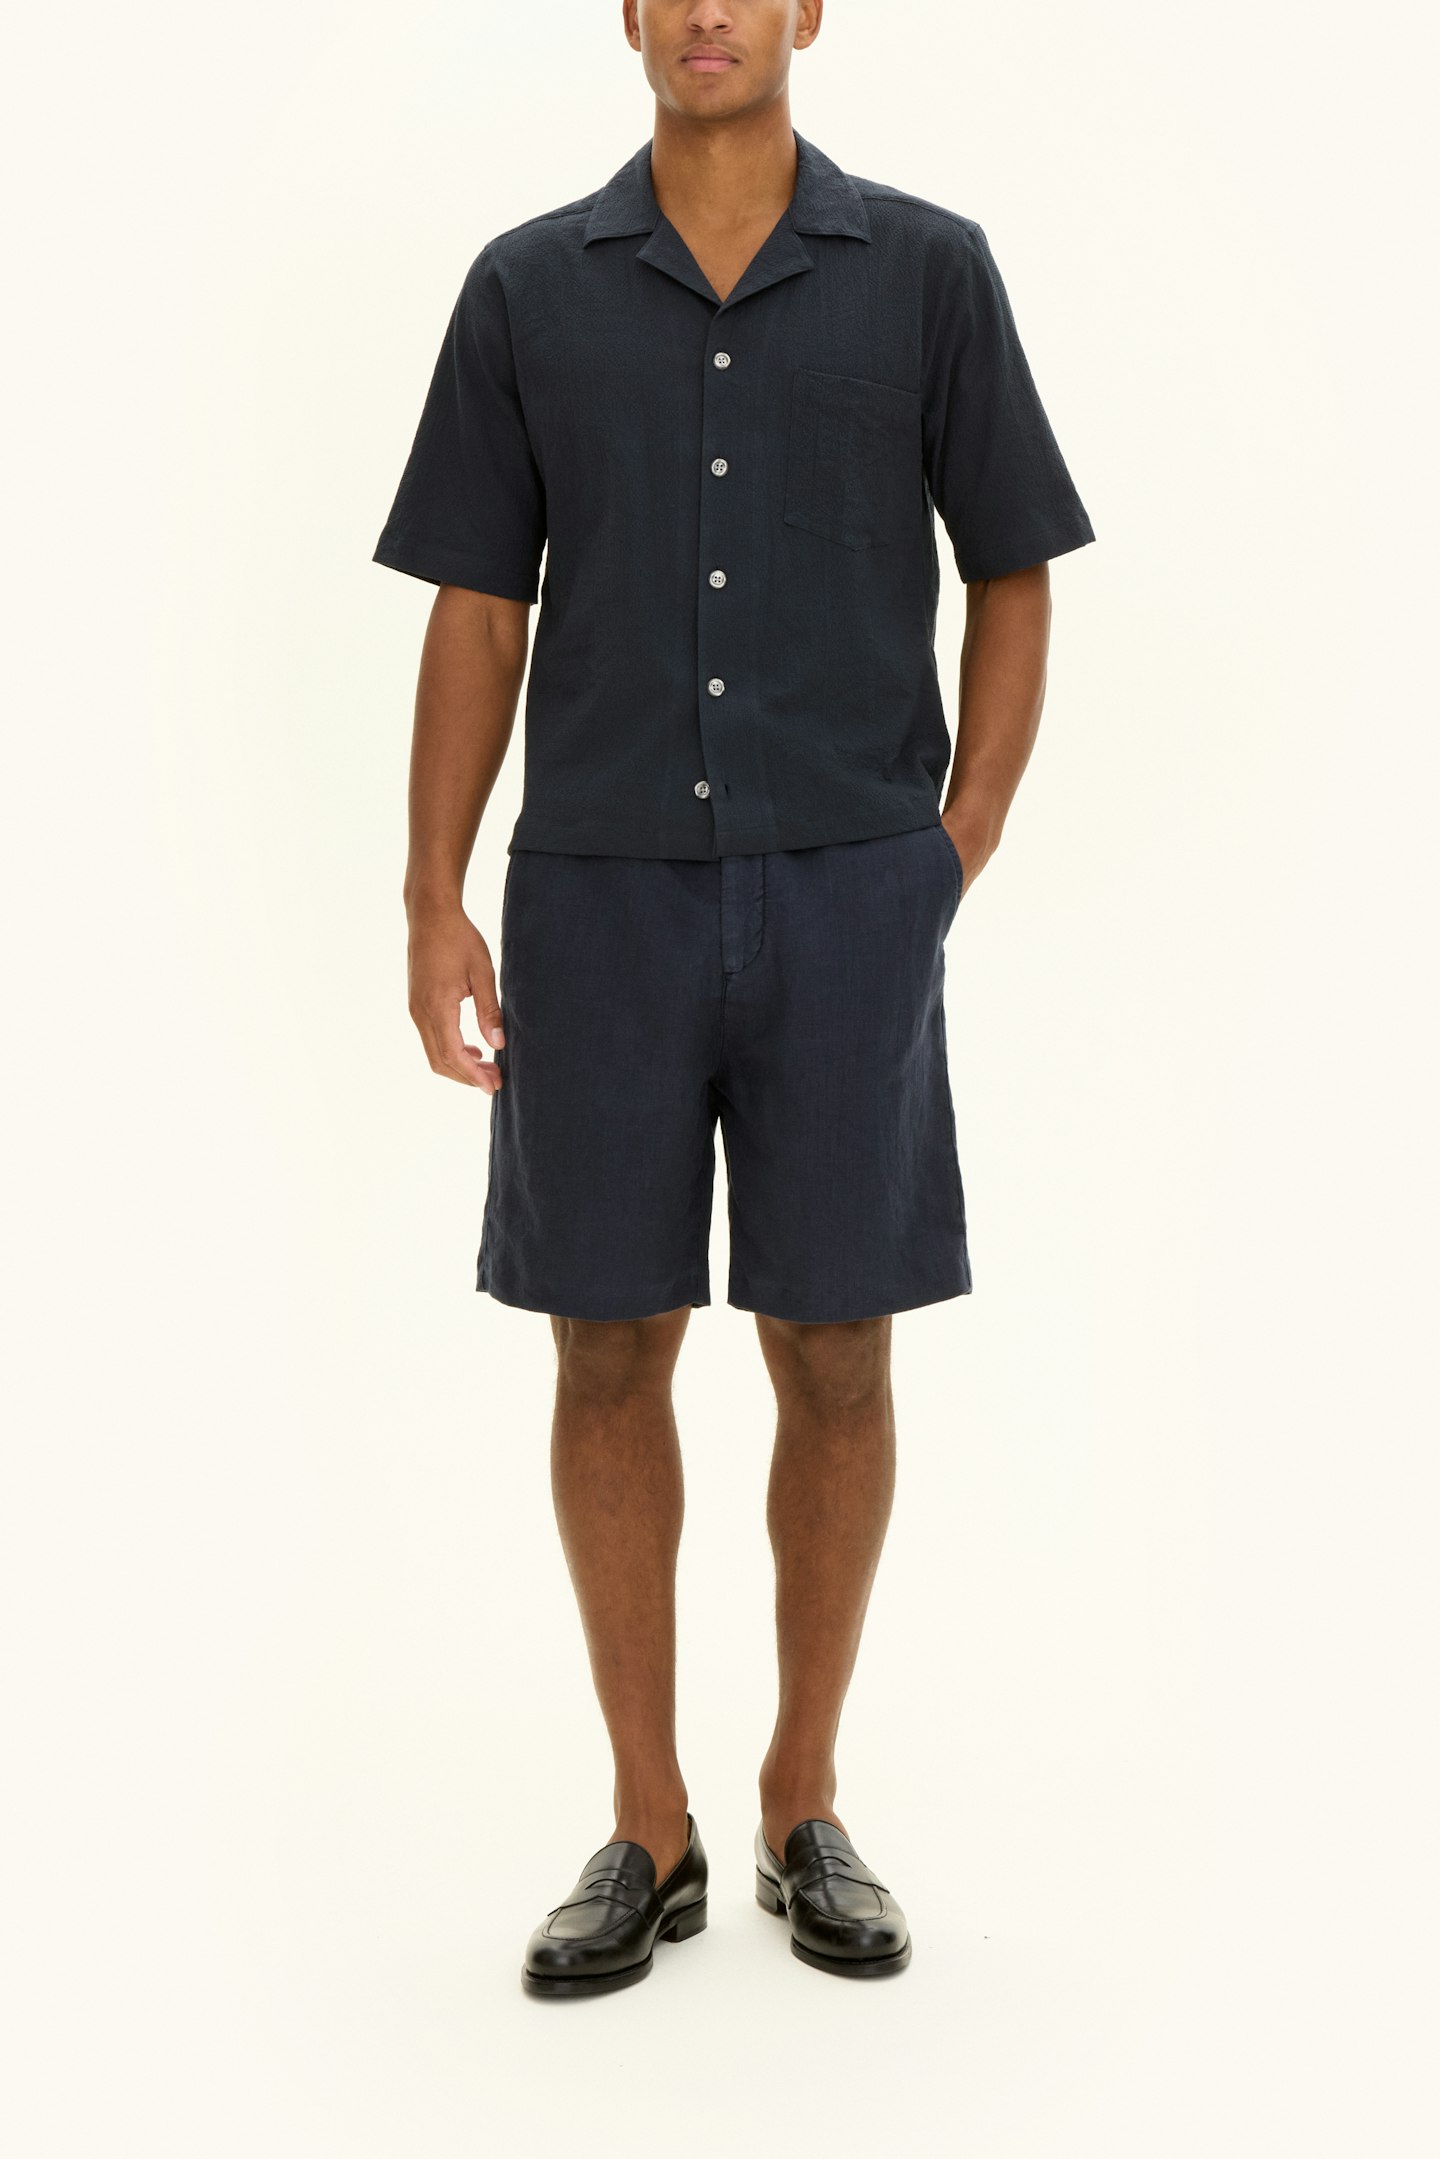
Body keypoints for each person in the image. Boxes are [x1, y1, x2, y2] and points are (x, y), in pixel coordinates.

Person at [372, 0, 1094, 1998]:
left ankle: (800, 1800)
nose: (708, 10)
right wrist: (431, 897)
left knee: (838, 1347)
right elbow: (478, 607)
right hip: (597, 901)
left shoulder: (928, 272)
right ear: (627, 12)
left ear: (806, 11)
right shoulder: (527, 289)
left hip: (854, 890)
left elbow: (1016, 564)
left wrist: (958, 841)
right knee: (606, 1345)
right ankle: (647, 1821)